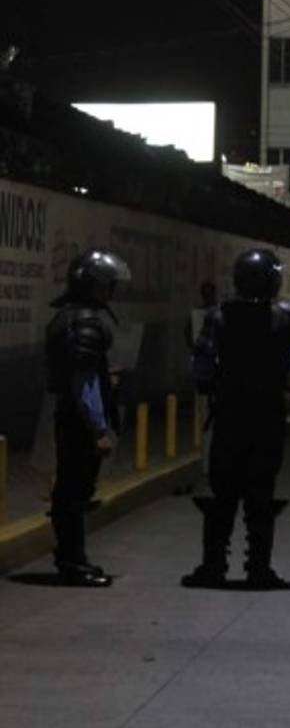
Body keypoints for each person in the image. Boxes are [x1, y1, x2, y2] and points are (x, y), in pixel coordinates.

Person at [182, 249, 290, 590]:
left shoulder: (218, 317)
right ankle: (258, 568)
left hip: (230, 412)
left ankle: (213, 566)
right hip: (267, 412)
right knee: (261, 493)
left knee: (223, 495)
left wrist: (219, 378)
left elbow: (200, 366)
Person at [43, 249, 131, 587]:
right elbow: (83, 382)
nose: (110, 291)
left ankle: (73, 559)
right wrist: (98, 428)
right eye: (106, 285)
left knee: (73, 490)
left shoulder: (69, 317)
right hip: (78, 421)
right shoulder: (84, 322)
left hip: (69, 416)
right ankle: (72, 563)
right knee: (73, 492)